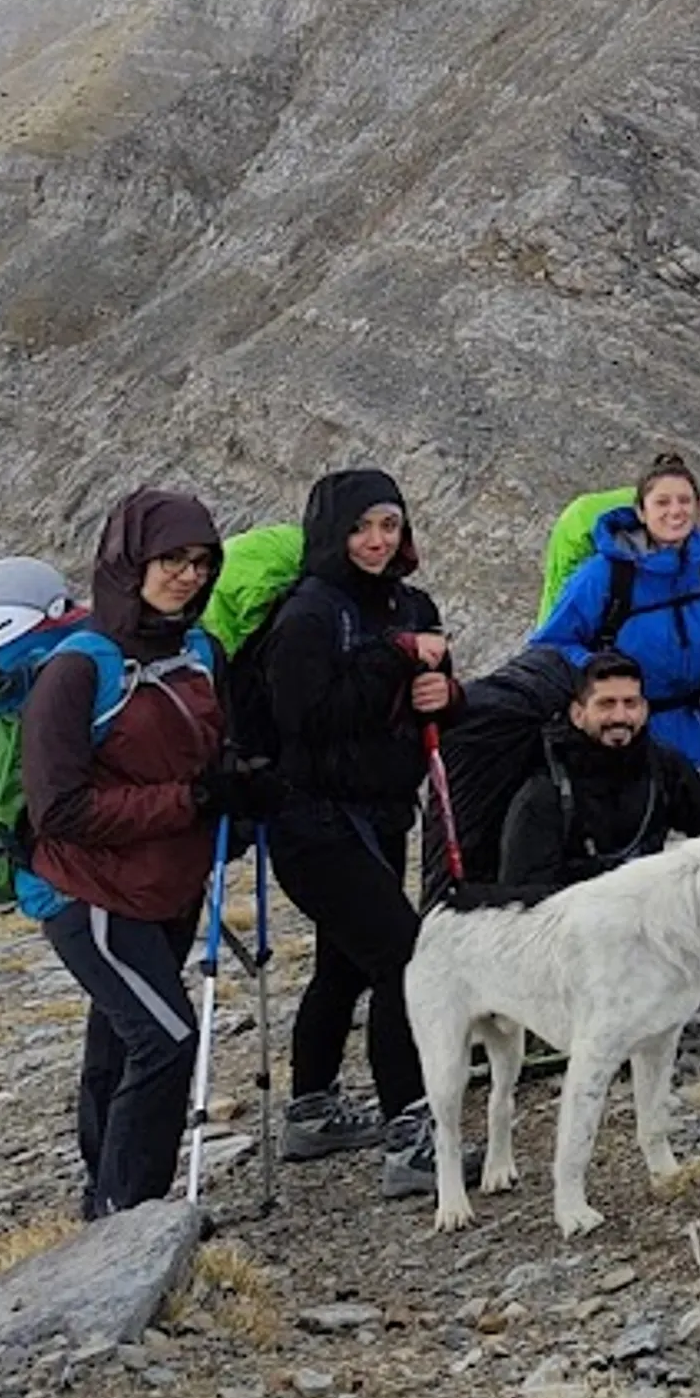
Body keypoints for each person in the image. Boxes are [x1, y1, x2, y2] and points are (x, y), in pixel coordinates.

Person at [21, 488, 269, 1219]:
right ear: (130, 561)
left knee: (119, 1042)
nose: (189, 576)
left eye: (202, 561)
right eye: (171, 560)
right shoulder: (75, 671)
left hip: (169, 886)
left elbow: (212, 754)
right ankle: (134, 1218)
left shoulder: (199, 651)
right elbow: (58, 809)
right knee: (167, 1044)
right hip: (91, 894)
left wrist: (244, 794)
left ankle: (103, 1198)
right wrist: (193, 802)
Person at [258, 466, 451, 1188]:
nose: (376, 541)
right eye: (363, 527)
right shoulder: (309, 612)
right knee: (406, 959)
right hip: (312, 821)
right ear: (333, 532)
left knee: (346, 960)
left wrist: (445, 692)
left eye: (390, 526)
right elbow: (301, 718)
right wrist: (396, 658)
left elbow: (426, 701)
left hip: (381, 812)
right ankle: (410, 1139)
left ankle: (311, 1111)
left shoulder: (410, 602)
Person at [530, 451, 700, 773]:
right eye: (662, 502)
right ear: (641, 512)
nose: (676, 511)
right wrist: (597, 668)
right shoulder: (603, 574)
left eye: (685, 501)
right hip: (616, 730)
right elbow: (550, 645)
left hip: (684, 729)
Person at [497, 653, 700, 896]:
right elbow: (523, 900)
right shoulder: (545, 792)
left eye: (630, 703)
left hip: (648, 914)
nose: (620, 717)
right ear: (578, 714)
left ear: (644, 709)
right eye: (606, 704)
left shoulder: (663, 766)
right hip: (572, 925)